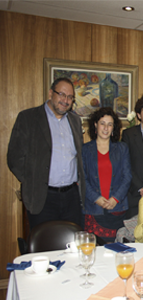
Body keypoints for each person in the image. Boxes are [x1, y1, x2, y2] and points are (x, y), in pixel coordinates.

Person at [7, 77, 86, 229]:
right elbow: (14, 158)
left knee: (71, 245)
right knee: (44, 245)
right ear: (51, 93)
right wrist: (32, 180)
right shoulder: (28, 118)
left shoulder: (75, 121)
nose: (66, 100)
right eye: (62, 94)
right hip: (42, 197)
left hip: (71, 196)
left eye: (70, 97)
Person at [82, 107, 132, 243]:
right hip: (93, 208)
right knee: (94, 250)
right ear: (95, 125)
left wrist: (115, 199)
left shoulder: (122, 148)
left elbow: (127, 177)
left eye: (110, 124)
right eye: (102, 123)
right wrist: (96, 198)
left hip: (116, 208)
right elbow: (82, 179)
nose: (106, 128)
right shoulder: (85, 150)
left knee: (116, 250)